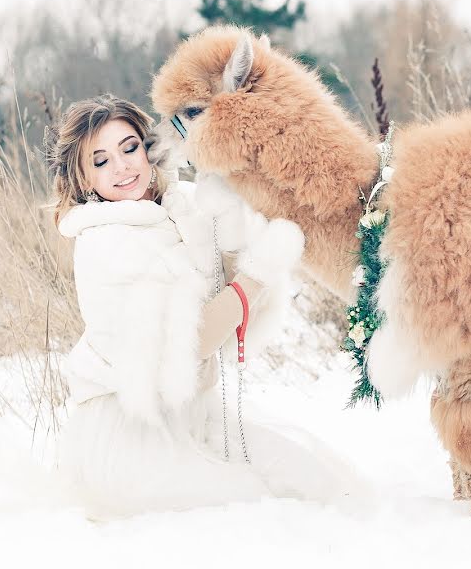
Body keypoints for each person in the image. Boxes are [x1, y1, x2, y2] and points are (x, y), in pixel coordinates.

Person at [48, 94, 355, 519]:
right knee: (252, 504)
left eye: (129, 147)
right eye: (100, 161)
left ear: (148, 147)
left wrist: (233, 238)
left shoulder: (180, 204)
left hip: (196, 412)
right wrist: (255, 275)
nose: (121, 166)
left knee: (314, 481)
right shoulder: (104, 244)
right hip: (133, 431)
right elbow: (187, 344)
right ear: (83, 181)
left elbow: (225, 293)